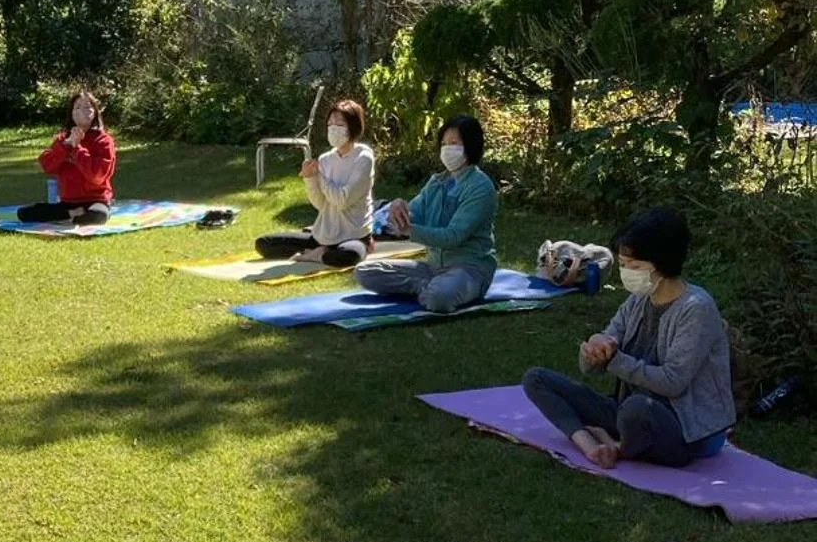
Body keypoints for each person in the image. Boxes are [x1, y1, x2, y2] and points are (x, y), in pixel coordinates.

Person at [522, 206, 734, 469]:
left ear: (662, 262)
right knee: (537, 379)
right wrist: (595, 347)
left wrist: (613, 359)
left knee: (637, 409)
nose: (627, 272)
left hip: (685, 429)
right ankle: (589, 444)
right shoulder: (638, 300)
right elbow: (594, 363)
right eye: (623, 265)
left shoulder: (696, 308)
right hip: (626, 412)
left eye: (634, 266)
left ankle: (617, 446)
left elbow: (673, 382)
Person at [354, 114, 497, 313]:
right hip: (432, 268)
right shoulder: (437, 182)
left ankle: (432, 289)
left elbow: (453, 237)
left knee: (439, 299)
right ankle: (428, 286)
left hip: (469, 269)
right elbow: (413, 213)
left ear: (470, 146)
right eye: (444, 144)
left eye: (454, 143)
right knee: (365, 272)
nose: (447, 149)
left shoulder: (480, 187)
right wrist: (397, 208)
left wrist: (409, 230)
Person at [255, 98, 376, 266]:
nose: (334, 128)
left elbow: (342, 201)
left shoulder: (364, 158)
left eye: (340, 124)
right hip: (324, 234)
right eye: (330, 124)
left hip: (354, 235)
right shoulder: (325, 159)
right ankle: (322, 250)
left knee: (347, 255)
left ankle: (321, 254)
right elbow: (320, 204)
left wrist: (318, 176)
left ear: (353, 126)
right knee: (264, 244)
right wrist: (309, 178)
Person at [16, 91, 117, 226]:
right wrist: (66, 146)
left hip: (96, 200)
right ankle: (72, 214)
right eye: (78, 107)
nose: (83, 110)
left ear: (95, 112)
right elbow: (47, 165)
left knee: (99, 216)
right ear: (72, 114)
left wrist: (77, 149)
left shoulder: (104, 140)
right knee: (24, 213)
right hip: (69, 203)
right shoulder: (63, 139)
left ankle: (72, 217)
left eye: (88, 106)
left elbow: (97, 177)